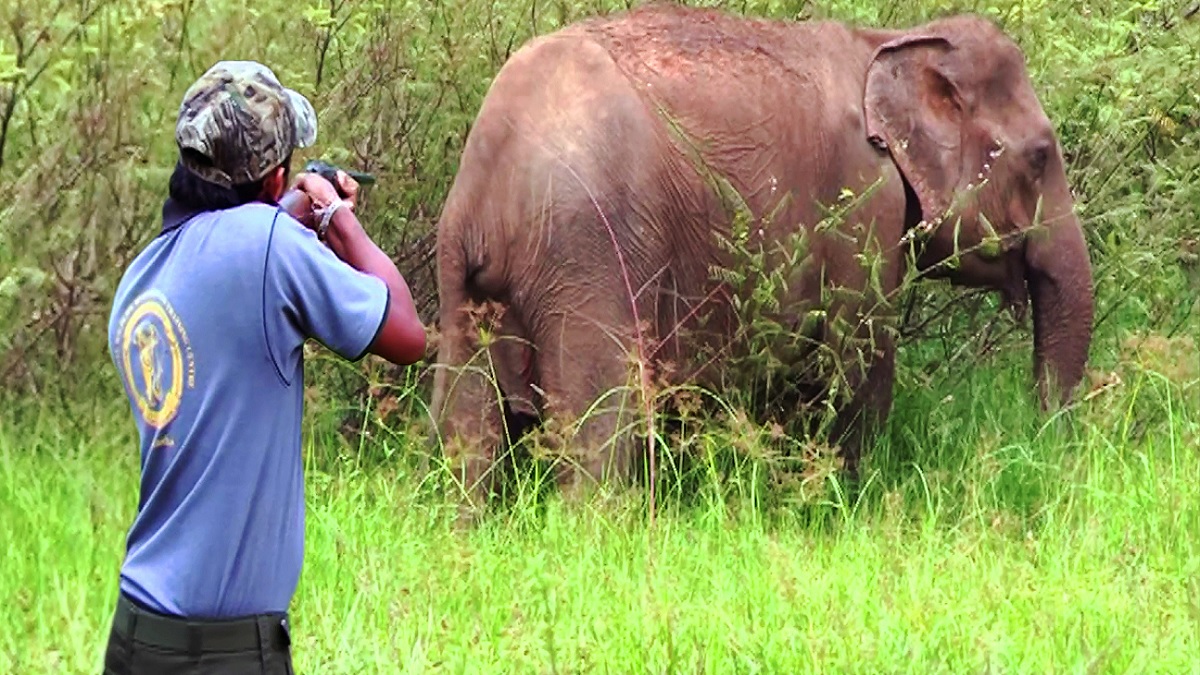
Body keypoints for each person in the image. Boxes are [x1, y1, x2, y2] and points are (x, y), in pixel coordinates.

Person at [101, 60, 426, 674]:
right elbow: (408, 335)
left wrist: (288, 220)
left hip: (136, 635)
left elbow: (234, 264)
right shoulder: (270, 245)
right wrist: (335, 215)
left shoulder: (141, 277)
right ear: (276, 177)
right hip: (226, 652)